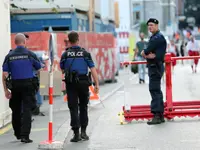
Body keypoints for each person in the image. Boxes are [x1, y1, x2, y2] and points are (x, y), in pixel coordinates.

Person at [60, 31, 99, 142]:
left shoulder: (65, 55)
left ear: (69, 41)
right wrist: (96, 84)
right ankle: (84, 132)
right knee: (83, 106)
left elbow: (62, 69)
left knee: (73, 107)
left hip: (71, 83)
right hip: (83, 82)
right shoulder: (85, 54)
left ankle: (76, 134)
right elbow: (92, 69)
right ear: (78, 39)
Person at [2, 33, 42, 143]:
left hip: (15, 85)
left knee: (16, 109)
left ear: (15, 42)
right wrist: (39, 84)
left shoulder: (9, 56)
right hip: (28, 85)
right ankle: (25, 136)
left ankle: (18, 134)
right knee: (27, 110)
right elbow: (39, 69)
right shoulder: (30, 54)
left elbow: (4, 74)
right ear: (25, 42)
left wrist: (5, 90)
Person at [141, 18, 167, 125]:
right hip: (155, 66)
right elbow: (148, 53)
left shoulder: (157, 38)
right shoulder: (154, 37)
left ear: (157, 25)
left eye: (152, 25)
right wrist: (148, 54)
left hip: (155, 66)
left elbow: (145, 51)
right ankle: (160, 115)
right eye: (149, 25)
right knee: (157, 90)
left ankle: (157, 115)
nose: (150, 27)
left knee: (154, 90)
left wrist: (147, 53)